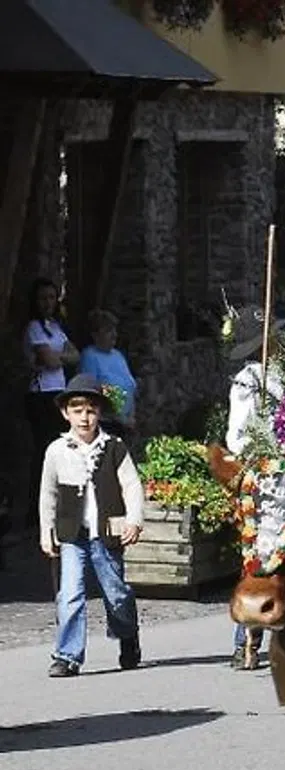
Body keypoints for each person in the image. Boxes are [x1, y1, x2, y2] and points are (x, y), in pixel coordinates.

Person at [39, 373, 145, 677]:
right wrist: (47, 531)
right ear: (66, 413)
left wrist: (134, 520)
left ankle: (128, 635)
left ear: (99, 413)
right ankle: (67, 655)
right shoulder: (56, 451)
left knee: (116, 594)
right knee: (70, 594)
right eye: (77, 411)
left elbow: (131, 486)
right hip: (72, 536)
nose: (84, 418)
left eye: (91, 411)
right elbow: (48, 493)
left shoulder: (114, 447)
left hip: (107, 535)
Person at [223, 309, 285, 670]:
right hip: (263, 474)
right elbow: (237, 435)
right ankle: (245, 639)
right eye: (271, 337)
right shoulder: (249, 381)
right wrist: (260, 451)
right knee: (259, 554)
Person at [23, 279, 80, 538]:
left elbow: (73, 355)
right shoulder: (34, 328)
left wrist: (59, 358)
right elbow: (49, 360)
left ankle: (59, 506)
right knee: (44, 451)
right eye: (43, 298)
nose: (48, 303)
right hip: (40, 394)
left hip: (58, 391)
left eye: (51, 297)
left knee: (61, 449)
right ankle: (36, 512)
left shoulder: (55, 327)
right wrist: (57, 358)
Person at [77, 309, 138, 441]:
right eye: (109, 331)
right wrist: (119, 419)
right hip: (105, 424)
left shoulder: (118, 355)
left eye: (115, 330)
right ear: (95, 335)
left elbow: (130, 385)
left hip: (125, 424)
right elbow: (92, 391)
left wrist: (130, 417)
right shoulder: (89, 356)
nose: (114, 335)